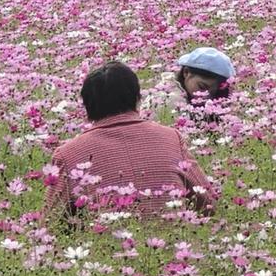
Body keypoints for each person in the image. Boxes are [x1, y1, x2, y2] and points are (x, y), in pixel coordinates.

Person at [44, 61, 216, 218]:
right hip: (174, 243)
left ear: (87, 105)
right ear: (137, 99)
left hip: (102, 246)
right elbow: (207, 202)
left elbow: (52, 221)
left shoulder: (67, 154)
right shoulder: (171, 137)